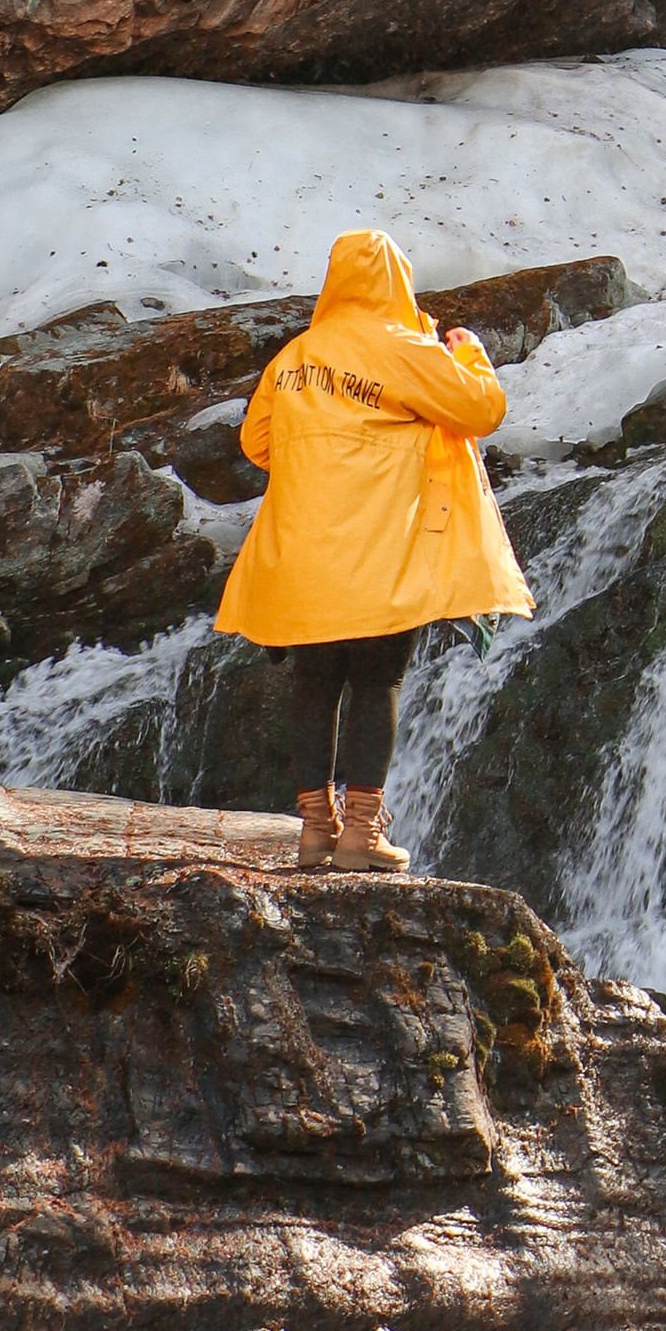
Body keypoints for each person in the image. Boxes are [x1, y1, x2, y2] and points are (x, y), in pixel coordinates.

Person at [214, 229, 534, 871]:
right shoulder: (405, 350)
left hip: (301, 557)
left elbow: (256, 443)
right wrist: (469, 354)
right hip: (383, 558)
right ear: (397, 282)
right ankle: (361, 835)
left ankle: (313, 832)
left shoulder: (293, 359)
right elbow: (480, 410)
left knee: (314, 685)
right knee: (378, 681)